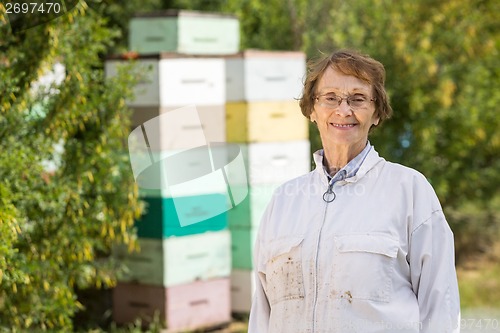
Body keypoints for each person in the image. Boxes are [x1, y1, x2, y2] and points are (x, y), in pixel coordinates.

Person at [248, 50, 460, 333]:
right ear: (312, 109)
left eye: (358, 99)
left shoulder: (410, 191)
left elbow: (440, 308)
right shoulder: (283, 201)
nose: (343, 110)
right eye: (330, 98)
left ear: (376, 113)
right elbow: (262, 315)